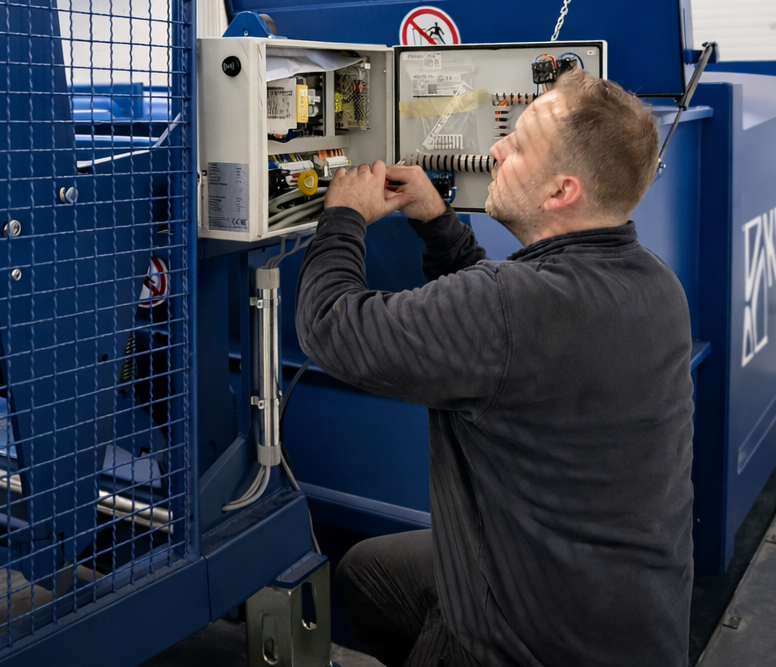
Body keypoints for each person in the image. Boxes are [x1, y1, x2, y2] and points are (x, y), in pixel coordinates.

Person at [295, 65, 694, 667]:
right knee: (369, 572)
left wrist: (343, 216)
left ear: (562, 192)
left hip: (529, 645)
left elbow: (330, 326)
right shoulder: (655, 284)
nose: (495, 147)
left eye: (517, 144)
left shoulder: (512, 305)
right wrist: (436, 222)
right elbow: (503, 330)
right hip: (634, 622)